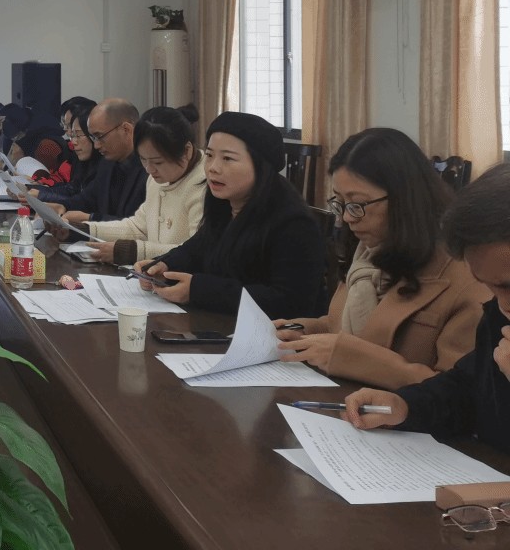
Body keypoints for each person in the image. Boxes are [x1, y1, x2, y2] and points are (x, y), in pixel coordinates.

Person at [273, 129, 485, 389]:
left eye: (358, 204)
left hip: (403, 412)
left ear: (405, 198)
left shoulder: (468, 276)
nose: (346, 218)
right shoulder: (368, 252)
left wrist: (351, 358)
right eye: (340, 203)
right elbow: (346, 324)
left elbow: (460, 393)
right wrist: (301, 331)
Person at [344, 163, 510, 454]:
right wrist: (406, 406)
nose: (503, 304)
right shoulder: (498, 313)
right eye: (487, 284)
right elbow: (467, 386)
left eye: (507, 286)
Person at [135, 111, 323, 319]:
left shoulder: (293, 223)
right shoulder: (224, 203)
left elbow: (288, 302)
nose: (213, 168)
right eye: (209, 155)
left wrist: (197, 291)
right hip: (221, 323)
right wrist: (164, 265)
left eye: (227, 158)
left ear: (260, 165)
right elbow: (196, 249)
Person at [81, 105, 206, 266]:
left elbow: (195, 253)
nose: (149, 169)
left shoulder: (205, 185)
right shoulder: (158, 178)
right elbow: (138, 227)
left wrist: (132, 252)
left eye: (157, 162)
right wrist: (84, 230)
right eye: (143, 159)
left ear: (187, 151)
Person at [41, 98, 146, 232]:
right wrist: (63, 206)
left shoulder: (150, 169)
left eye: (100, 136)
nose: (96, 145)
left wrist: (90, 218)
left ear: (126, 130)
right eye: (93, 138)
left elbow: (138, 228)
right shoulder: (108, 163)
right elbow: (86, 199)